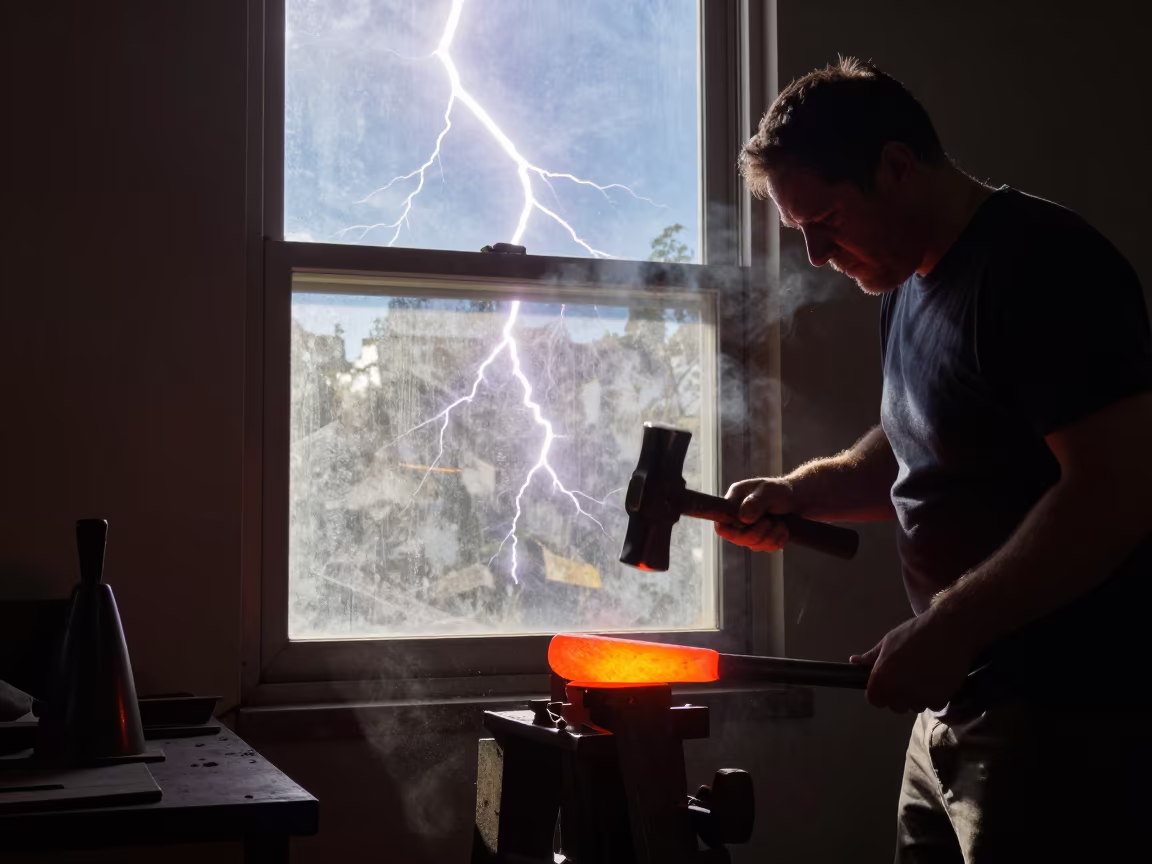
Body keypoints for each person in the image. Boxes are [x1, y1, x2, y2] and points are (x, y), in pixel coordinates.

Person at [721, 57, 1152, 862]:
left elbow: (1118, 486)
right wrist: (798, 492)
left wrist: (951, 625)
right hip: (951, 707)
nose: (815, 253)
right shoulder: (906, 285)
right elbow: (917, 444)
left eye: (827, 219)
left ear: (896, 166)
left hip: (1062, 719)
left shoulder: (1043, 264)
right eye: (800, 229)